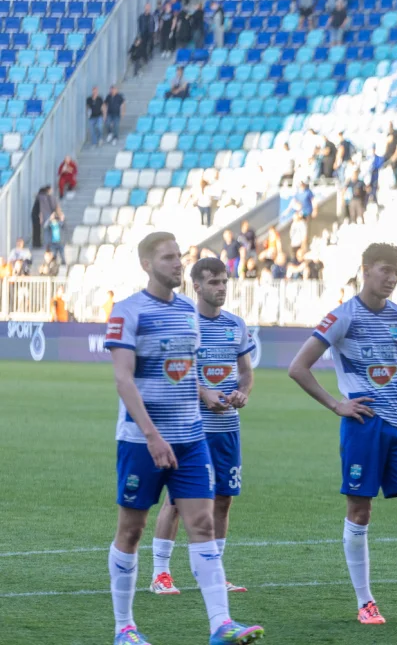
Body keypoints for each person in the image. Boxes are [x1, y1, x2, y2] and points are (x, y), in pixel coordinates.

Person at [288, 243, 397, 627]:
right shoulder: (342, 317)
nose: (391, 279)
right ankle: (366, 601)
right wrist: (337, 404)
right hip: (363, 427)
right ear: (365, 269)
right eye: (385, 270)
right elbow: (298, 367)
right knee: (360, 511)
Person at [103, 232, 264, 645]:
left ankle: (220, 625)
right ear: (146, 264)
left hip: (192, 439)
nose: (177, 263)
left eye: (179, 256)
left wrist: (208, 394)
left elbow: (185, 372)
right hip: (142, 441)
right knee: (131, 530)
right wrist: (153, 435)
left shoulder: (189, 315)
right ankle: (124, 628)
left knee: (202, 523)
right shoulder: (128, 312)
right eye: (168, 258)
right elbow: (123, 379)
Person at [148, 257, 255, 596]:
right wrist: (203, 392)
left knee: (223, 499)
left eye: (224, 281)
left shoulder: (235, 325)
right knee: (179, 500)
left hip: (226, 428)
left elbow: (247, 372)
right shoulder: (182, 323)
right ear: (196, 285)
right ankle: (161, 574)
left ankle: (214, 573)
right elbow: (170, 373)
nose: (221, 288)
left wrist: (242, 392)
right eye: (213, 282)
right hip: (188, 428)